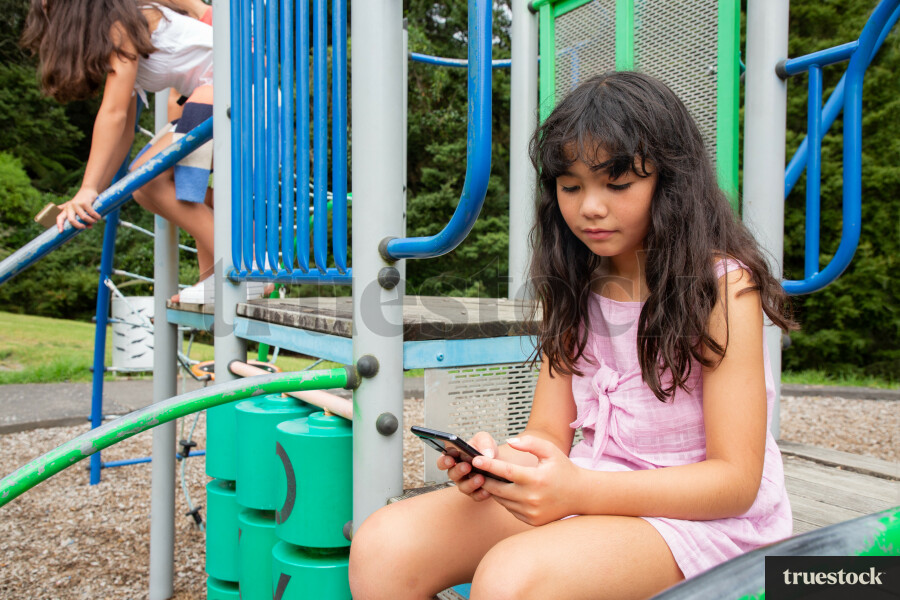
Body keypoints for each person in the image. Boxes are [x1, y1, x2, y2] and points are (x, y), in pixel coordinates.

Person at [348, 72, 796, 600]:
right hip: (590, 485)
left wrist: (579, 488)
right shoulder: (577, 279)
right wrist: (502, 465)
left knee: (512, 581)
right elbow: (547, 436)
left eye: (617, 183)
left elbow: (735, 483)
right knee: (384, 545)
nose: (590, 207)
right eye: (571, 186)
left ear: (672, 181)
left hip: (705, 520)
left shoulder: (722, 288)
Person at [22, 0, 252, 303]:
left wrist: (88, 188)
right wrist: (91, 194)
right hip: (219, 95)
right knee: (142, 186)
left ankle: (245, 271)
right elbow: (124, 131)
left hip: (239, 91)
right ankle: (220, 270)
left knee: (148, 178)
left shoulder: (123, 24)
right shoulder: (118, 34)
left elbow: (113, 113)